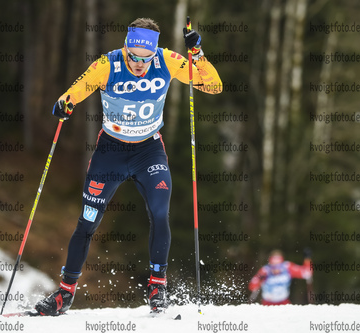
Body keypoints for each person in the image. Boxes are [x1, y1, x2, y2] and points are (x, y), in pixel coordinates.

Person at [33, 17, 222, 316]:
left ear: (155, 52)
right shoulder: (108, 64)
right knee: (87, 221)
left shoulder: (169, 61)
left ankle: (157, 286)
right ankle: (65, 293)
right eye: (134, 57)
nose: (139, 65)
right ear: (126, 47)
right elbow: (78, 89)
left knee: (160, 213)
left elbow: (213, 86)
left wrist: (197, 54)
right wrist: (65, 102)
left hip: (149, 152)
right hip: (112, 151)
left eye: (146, 59)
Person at [248, 249, 313, 305]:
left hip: (283, 302)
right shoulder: (265, 270)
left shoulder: (287, 267)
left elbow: (307, 273)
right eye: (273, 266)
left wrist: (307, 259)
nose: (276, 270)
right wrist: (259, 280)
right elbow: (252, 285)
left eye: (278, 266)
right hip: (267, 303)